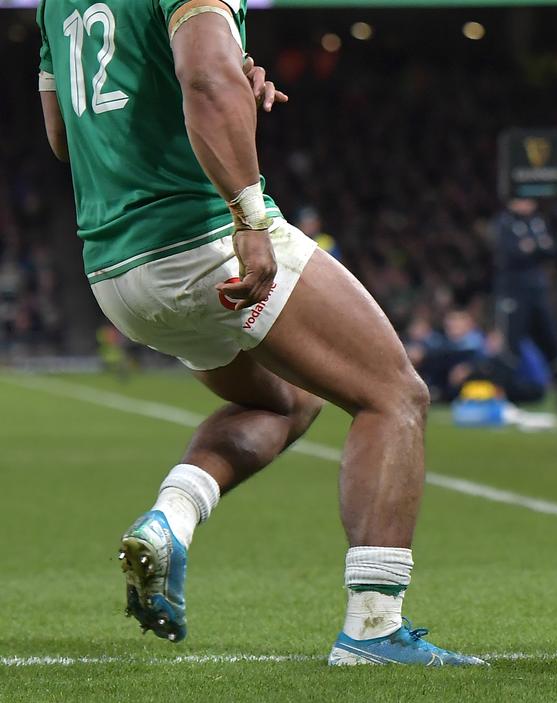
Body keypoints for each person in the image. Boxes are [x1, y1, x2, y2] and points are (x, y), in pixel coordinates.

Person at [36, 0, 482, 665]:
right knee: (394, 394)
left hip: (114, 268)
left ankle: (170, 522)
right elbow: (207, 78)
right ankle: (373, 629)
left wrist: (217, 83)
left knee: (283, 400)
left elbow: (63, 134)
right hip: (199, 235)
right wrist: (248, 216)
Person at [493, 198, 557, 367]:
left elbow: (551, 249)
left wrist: (531, 247)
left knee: (548, 334)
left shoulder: (538, 221)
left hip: (537, 288)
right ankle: (510, 380)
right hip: (512, 289)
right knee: (511, 338)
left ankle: (553, 374)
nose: (526, 203)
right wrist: (535, 247)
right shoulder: (503, 222)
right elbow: (511, 252)